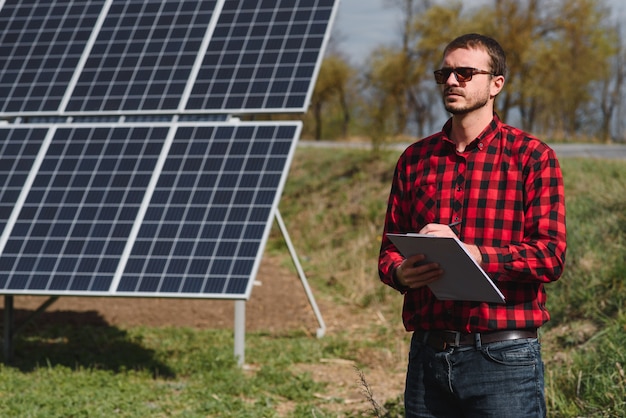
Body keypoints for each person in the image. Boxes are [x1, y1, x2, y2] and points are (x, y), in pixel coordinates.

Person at [378, 33, 566, 417]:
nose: (451, 81)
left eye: (465, 73)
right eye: (444, 73)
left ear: (496, 83)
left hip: (504, 357)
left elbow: (550, 256)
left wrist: (475, 255)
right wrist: (400, 273)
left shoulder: (532, 157)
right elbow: (389, 251)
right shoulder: (414, 159)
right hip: (428, 355)